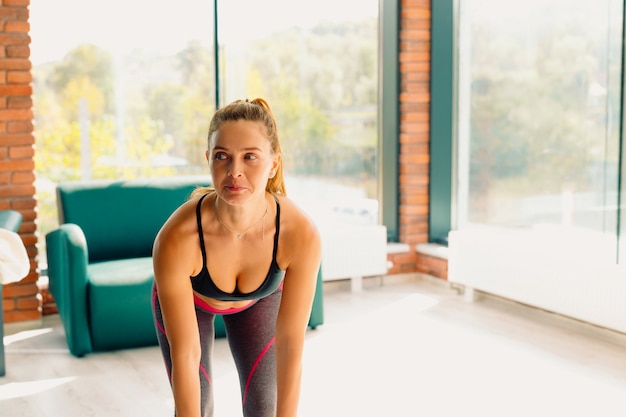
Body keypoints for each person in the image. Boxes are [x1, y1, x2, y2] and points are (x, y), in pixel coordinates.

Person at [152, 98, 322, 417]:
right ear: (208, 160)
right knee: (195, 409)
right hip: (193, 302)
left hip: (261, 301)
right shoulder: (177, 237)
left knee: (266, 411)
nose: (235, 172)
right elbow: (187, 355)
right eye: (222, 156)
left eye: (250, 157)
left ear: (273, 163)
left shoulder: (299, 233)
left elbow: (290, 346)